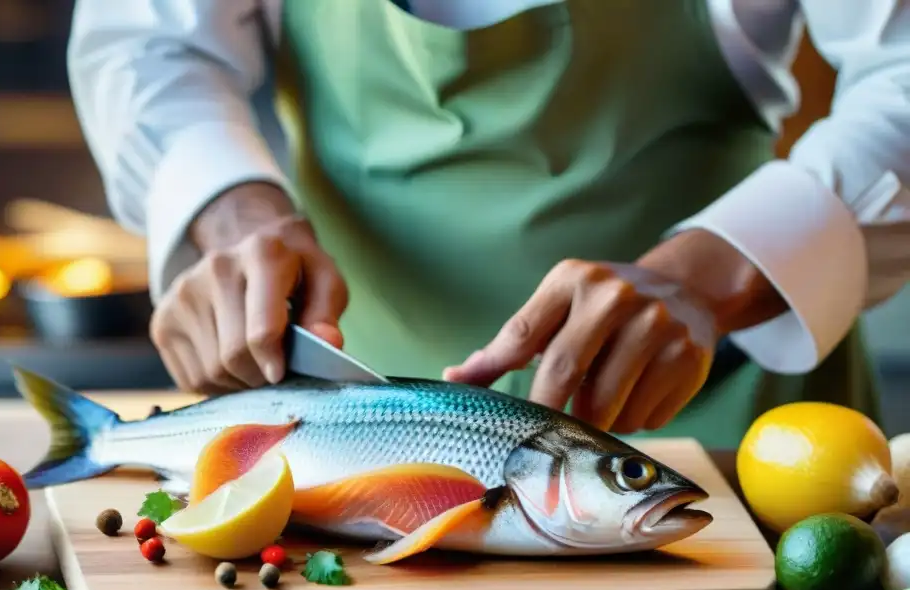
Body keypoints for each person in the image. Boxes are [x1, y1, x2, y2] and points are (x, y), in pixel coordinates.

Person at [67, 0, 910, 448]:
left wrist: (707, 279)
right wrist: (232, 211)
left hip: (738, 430)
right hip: (354, 428)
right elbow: (149, 43)